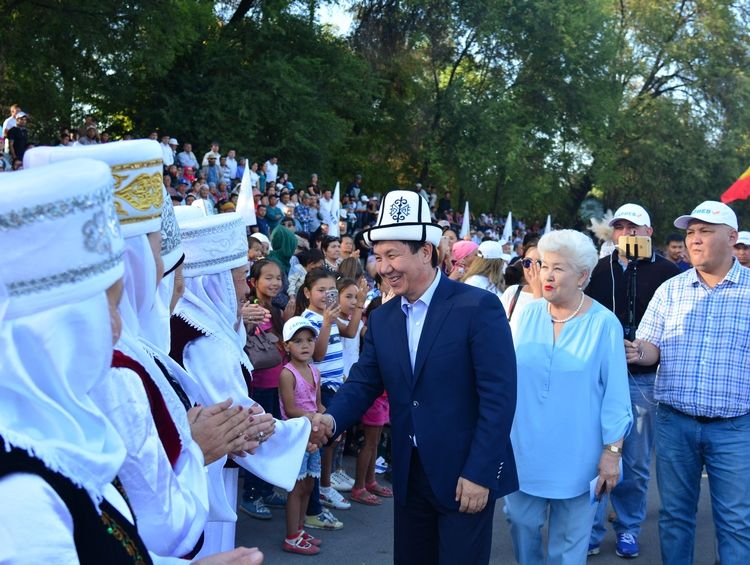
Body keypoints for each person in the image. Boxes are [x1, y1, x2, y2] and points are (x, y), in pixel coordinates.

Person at [314, 190, 518, 564]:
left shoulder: (477, 306)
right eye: (378, 257)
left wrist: (480, 472)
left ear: (425, 251)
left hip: (465, 476)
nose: (384, 268)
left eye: (393, 255)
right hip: (408, 475)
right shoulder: (383, 318)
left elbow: (499, 398)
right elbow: (363, 382)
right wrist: (330, 419)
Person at [628, 201, 750, 565]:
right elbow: (651, 346)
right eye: (691, 232)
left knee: (736, 523)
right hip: (674, 424)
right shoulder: (671, 290)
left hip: (735, 429)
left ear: (732, 237)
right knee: (675, 518)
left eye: (705, 231)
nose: (694, 239)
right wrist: (637, 351)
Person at [507, 229, 632, 564]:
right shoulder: (526, 314)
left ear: (582, 276)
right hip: (524, 449)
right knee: (520, 522)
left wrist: (612, 452)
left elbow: (616, 395)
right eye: (544, 265)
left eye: (558, 268)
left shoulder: (604, 324)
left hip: (579, 453)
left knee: (568, 546)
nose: (547, 275)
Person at [585, 203, 681, 558]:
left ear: (648, 232)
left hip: (644, 380)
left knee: (636, 462)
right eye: (620, 227)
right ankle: (591, 530)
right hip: (598, 378)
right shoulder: (598, 269)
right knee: (595, 457)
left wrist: (647, 349)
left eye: (634, 227)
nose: (626, 233)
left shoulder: (668, 272)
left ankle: (628, 527)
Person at [278, 317, 326, 555]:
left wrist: (328, 420)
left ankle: (300, 529)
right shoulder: (287, 374)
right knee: (296, 488)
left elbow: (319, 405)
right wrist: (315, 418)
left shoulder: (315, 372)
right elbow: (290, 409)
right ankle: (291, 536)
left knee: (309, 484)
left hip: (313, 436)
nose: (305, 345)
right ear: (286, 346)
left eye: (309, 340)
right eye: (297, 341)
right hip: (297, 436)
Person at [500, 238, 542, 334]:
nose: (532, 268)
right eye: (527, 262)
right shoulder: (513, 291)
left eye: (539, 263)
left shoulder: (557, 299)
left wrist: (538, 291)